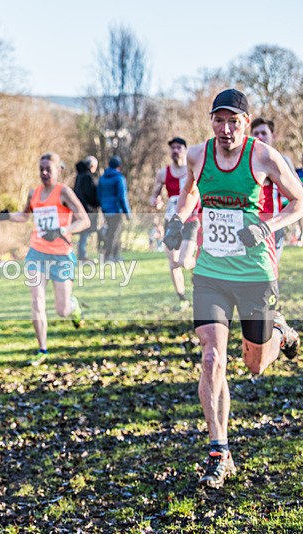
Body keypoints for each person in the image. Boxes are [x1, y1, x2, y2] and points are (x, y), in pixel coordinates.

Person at [164, 88, 303, 489]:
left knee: (256, 365)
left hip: (255, 273)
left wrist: (267, 226)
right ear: (211, 121)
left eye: (234, 121)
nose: (225, 129)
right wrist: (180, 218)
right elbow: (189, 192)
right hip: (211, 272)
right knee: (212, 359)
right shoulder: (197, 155)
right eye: (219, 120)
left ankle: (280, 331)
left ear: (246, 122)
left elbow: (298, 201)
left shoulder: (263, 156)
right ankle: (219, 451)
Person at [0, 152, 90, 354]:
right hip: (37, 253)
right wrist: (6, 216)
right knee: (37, 301)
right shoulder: (34, 194)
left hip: (61, 255)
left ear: (58, 170)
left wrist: (62, 230)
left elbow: (84, 220)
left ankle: (74, 307)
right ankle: (43, 349)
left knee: (62, 310)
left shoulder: (64, 192)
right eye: (41, 169)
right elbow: (24, 216)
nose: (44, 172)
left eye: (49, 169)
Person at [150, 137, 199, 308]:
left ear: (185, 150)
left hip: (191, 219)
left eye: (179, 147)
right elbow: (154, 195)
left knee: (184, 261)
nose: (175, 150)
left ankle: (197, 264)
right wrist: (155, 201)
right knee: (173, 262)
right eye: (173, 148)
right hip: (171, 220)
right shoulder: (163, 173)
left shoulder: (193, 169)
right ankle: (182, 298)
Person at [251, 117, 296, 263]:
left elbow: (298, 194)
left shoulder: (283, 161)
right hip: (248, 224)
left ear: (273, 136)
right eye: (255, 133)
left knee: (269, 270)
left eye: (264, 133)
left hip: (274, 224)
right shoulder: (246, 160)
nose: (259, 137)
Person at [97, 156, 131, 262]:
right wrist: (127, 212)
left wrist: (102, 206)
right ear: (119, 166)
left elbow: (99, 195)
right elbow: (122, 197)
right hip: (116, 210)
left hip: (105, 210)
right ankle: (108, 256)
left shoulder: (102, 178)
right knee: (114, 234)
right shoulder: (119, 178)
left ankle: (116, 256)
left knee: (112, 232)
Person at [72, 155, 99, 261]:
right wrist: (96, 203)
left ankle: (81, 254)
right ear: (92, 166)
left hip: (80, 208)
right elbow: (90, 194)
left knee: (83, 232)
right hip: (86, 209)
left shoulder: (79, 175)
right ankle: (82, 255)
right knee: (85, 232)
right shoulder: (87, 177)